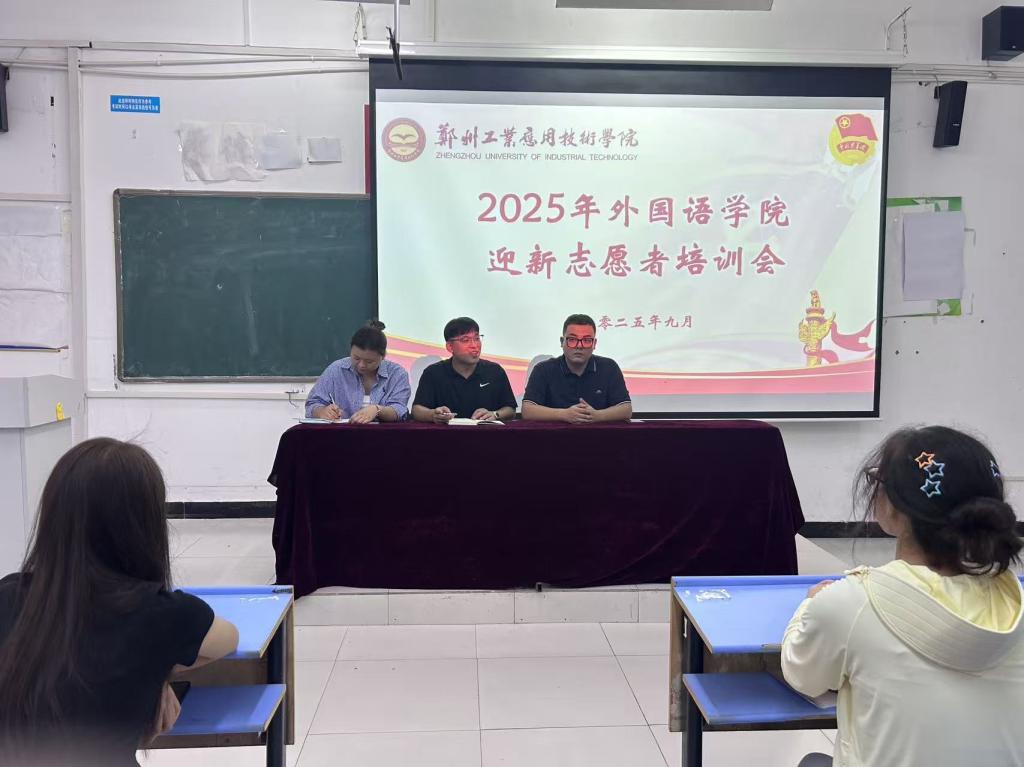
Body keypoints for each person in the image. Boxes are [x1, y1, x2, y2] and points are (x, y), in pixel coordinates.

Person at [782, 426, 1024, 767]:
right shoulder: (1015, 601)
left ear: (895, 507)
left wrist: (810, 604)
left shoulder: (850, 603)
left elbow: (804, 677)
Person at [0, 438, 239, 766]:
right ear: (145, 526)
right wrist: (152, 669)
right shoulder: (164, 615)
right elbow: (228, 639)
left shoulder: (9, 596)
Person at [521, 313, 632, 423]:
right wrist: (563, 414)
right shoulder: (543, 370)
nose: (579, 346)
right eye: (572, 339)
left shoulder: (609, 368)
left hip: (598, 434)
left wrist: (597, 416)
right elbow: (527, 410)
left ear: (594, 344)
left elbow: (626, 409)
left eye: (586, 340)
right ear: (562, 342)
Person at [411, 317, 517, 423]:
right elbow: (417, 410)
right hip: (445, 432)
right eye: (465, 340)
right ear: (450, 347)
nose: (474, 346)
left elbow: (510, 409)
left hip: (485, 431)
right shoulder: (433, 373)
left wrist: (495, 414)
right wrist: (432, 415)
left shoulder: (495, 371)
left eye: (477, 338)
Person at [305, 319, 411, 424]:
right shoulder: (336, 370)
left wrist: (377, 410)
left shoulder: (397, 374)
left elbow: (400, 410)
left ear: (382, 356)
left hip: (384, 433)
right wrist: (322, 411)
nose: (361, 365)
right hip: (342, 432)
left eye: (369, 361)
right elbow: (312, 403)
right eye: (356, 358)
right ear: (350, 350)